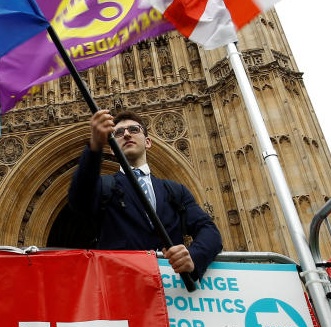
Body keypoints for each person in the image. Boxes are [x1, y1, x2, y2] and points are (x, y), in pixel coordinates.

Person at [68, 109, 223, 278]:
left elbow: (209, 231)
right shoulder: (104, 187)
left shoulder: (174, 190)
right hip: (122, 286)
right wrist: (95, 146)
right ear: (112, 150)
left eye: (134, 130)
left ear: (148, 142)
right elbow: (79, 199)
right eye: (119, 133)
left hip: (172, 289)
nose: (126, 134)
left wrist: (193, 256)